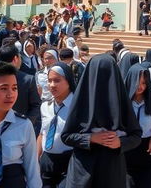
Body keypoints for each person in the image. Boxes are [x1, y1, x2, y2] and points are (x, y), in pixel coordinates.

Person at [61, 53, 142, 188]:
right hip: (82, 172)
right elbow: (66, 136)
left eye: (107, 76)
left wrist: (120, 143)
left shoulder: (121, 102)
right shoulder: (81, 101)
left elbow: (136, 135)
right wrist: (91, 138)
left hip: (112, 171)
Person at [124, 64, 151, 188]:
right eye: (138, 82)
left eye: (144, 83)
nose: (140, 86)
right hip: (127, 149)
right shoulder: (122, 101)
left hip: (148, 148)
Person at [38, 62, 75, 188]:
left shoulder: (78, 107)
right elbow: (43, 133)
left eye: (57, 80)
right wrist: (36, 159)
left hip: (69, 162)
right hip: (47, 161)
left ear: (69, 81)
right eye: (49, 81)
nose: (52, 85)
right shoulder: (45, 106)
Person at [0, 45, 42, 135]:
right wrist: (26, 125)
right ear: (15, 59)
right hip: (21, 130)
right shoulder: (28, 79)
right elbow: (36, 105)